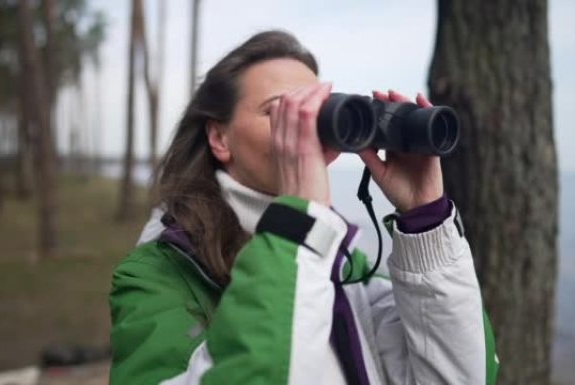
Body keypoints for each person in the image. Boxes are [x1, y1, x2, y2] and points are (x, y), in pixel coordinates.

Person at [109, 30, 499, 385]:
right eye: (282, 112)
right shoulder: (157, 277)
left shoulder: (345, 267)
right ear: (220, 138)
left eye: (315, 110)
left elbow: (460, 378)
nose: (305, 129)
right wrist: (298, 224)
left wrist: (425, 220)